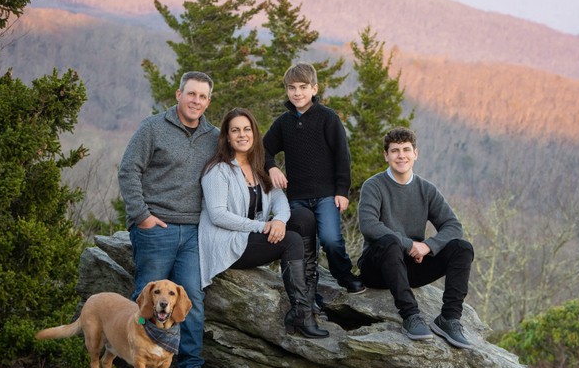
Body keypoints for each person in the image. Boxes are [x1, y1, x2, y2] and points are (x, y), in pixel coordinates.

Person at [117, 71, 219, 368]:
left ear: (208, 101)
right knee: (147, 298)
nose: (196, 101)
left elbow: (241, 165)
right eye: (191, 94)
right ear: (178, 95)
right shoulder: (152, 128)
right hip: (155, 228)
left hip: (192, 231)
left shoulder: (214, 137)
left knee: (191, 300)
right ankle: (137, 363)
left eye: (202, 97)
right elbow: (128, 170)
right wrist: (142, 216)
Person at [199, 108, 329, 339]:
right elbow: (218, 215)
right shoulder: (218, 170)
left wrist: (278, 220)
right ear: (227, 137)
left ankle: (307, 300)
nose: (242, 135)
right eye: (235, 130)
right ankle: (301, 314)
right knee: (290, 241)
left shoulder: (260, 167)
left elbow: (280, 199)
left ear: (255, 134)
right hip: (226, 241)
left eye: (247, 129)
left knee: (304, 218)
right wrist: (263, 226)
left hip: (251, 235)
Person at [357, 127, 475, 348]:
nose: (401, 155)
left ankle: (449, 319)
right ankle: (411, 315)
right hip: (377, 268)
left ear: (415, 154)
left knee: (462, 247)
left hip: (412, 266)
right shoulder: (374, 185)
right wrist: (410, 244)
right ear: (386, 155)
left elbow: (453, 226)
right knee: (390, 241)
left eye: (406, 150)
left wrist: (428, 247)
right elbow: (369, 226)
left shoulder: (426, 189)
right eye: (394, 151)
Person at [264, 62, 365, 311]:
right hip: (297, 198)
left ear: (314, 88)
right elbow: (263, 150)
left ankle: (343, 274)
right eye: (292, 88)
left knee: (331, 240)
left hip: (326, 195)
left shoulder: (328, 118)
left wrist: (342, 191)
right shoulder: (283, 123)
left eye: (303, 87)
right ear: (286, 91)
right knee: (307, 249)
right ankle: (311, 294)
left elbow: (342, 156)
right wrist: (272, 167)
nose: (297, 93)